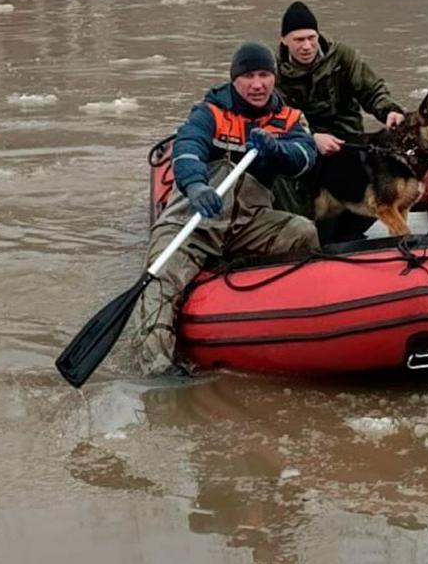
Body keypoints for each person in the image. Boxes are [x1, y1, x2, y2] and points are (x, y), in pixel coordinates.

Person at [135, 42, 320, 374]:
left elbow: (305, 158)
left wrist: (277, 150)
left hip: (250, 221)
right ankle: (157, 366)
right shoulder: (209, 112)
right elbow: (189, 144)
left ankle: (296, 327)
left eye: (264, 75)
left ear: (274, 78)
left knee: (303, 231)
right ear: (235, 80)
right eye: (249, 76)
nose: (258, 84)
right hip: (194, 220)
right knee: (160, 278)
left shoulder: (289, 119)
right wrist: (194, 184)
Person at [273, 1, 406, 242]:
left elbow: (371, 90)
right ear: (284, 40)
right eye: (298, 40)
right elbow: (277, 119)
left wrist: (389, 110)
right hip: (304, 141)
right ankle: (312, 236)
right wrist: (311, 138)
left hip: (348, 140)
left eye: (311, 38)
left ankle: (350, 234)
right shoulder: (274, 73)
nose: (307, 46)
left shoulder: (342, 56)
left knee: (379, 178)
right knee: (287, 178)